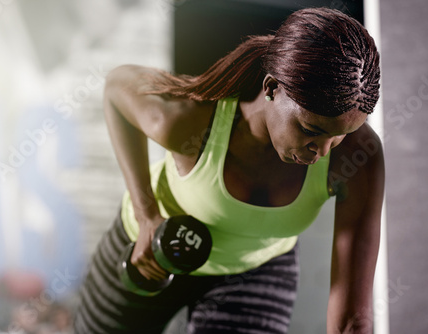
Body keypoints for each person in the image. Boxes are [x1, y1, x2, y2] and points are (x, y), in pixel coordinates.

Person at [74, 7, 384, 334]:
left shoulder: (359, 157)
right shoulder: (188, 122)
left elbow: (352, 320)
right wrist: (146, 215)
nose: (322, 151)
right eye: (310, 129)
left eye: (341, 135)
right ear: (271, 88)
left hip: (255, 269)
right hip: (154, 250)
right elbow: (116, 87)